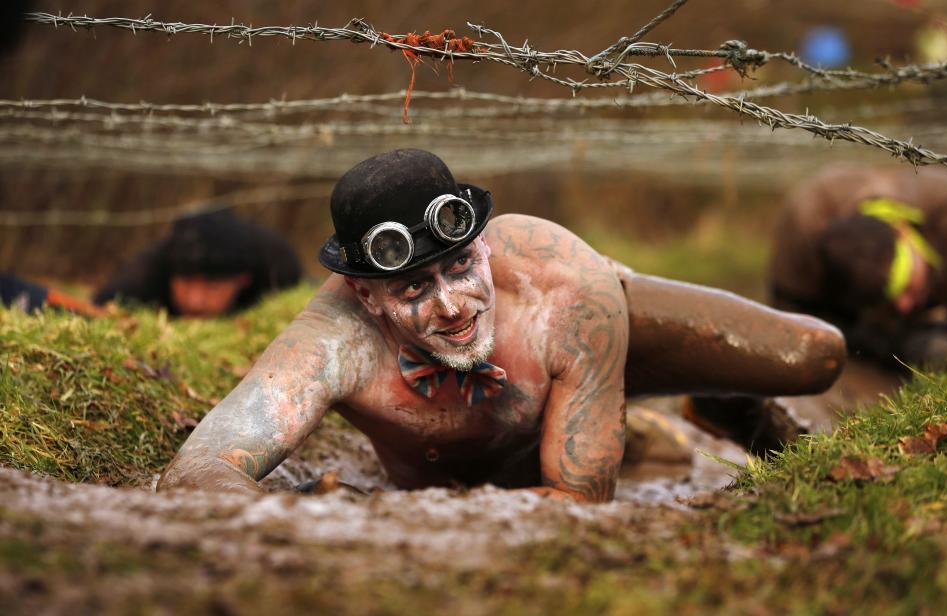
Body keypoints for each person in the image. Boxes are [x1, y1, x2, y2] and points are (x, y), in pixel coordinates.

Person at [157, 149, 844, 502]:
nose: (452, 305)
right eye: (414, 289)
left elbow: (581, 501)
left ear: (482, 247)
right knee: (583, 454)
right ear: (367, 298)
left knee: (812, 355)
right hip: (488, 450)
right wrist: (286, 516)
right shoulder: (333, 339)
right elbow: (200, 468)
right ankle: (639, 429)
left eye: (459, 268)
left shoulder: (564, 289)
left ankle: (711, 396)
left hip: (599, 330)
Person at [769, 164, 947, 370]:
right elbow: (790, 316)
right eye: (885, 298)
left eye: (904, 285)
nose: (903, 305)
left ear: (902, 232)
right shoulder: (804, 228)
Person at [94, 209, 303, 317]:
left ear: (243, 280)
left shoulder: (278, 266)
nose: (195, 301)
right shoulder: (146, 273)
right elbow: (103, 304)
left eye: (212, 286)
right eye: (186, 283)